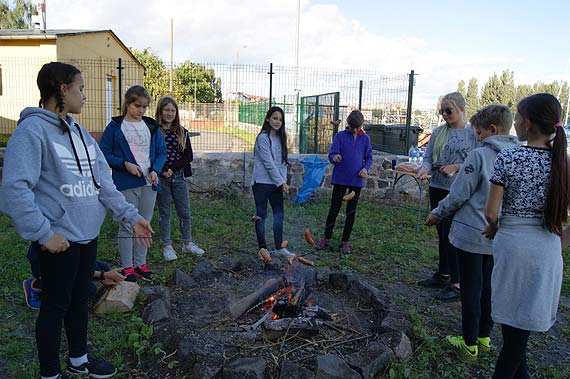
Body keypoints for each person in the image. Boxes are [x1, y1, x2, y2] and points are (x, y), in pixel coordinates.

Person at [0, 62, 154, 379]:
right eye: (80, 88)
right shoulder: (31, 132)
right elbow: (14, 190)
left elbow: (104, 185)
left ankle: (79, 360)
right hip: (58, 241)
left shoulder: (82, 134)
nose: (84, 95)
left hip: (87, 236)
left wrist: (132, 216)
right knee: (55, 307)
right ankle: (50, 373)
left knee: (79, 300)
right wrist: (44, 235)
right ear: (61, 88)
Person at [483, 93, 569, 379]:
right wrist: (558, 244)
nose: (515, 122)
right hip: (546, 251)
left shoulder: (509, 157)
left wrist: (493, 231)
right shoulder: (564, 164)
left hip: (513, 245)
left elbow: (491, 213)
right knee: (518, 332)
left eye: (518, 116)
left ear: (528, 123)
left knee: (514, 333)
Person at [424, 105, 519, 359]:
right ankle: (484, 336)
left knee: (470, 288)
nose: (476, 138)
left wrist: (437, 213)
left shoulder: (480, 156)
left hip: (472, 234)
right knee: (488, 287)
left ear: (492, 129)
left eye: (478, 133)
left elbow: (459, 194)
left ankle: (469, 341)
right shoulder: (518, 155)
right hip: (499, 235)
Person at [99, 85, 166, 282]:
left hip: (149, 182)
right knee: (128, 225)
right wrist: (124, 164)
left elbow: (161, 152)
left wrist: (155, 170)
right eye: (138, 106)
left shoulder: (151, 126)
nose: (142, 110)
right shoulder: (115, 127)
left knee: (144, 224)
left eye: (145, 107)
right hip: (126, 182)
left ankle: (140, 263)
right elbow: (103, 154)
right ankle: (127, 267)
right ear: (127, 103)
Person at [416, 92, 478, 301]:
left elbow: (476, 164)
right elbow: (427, 157)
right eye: (442, 111)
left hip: (457, 190)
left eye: (448, 110)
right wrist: (424, 169)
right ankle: (443, 274)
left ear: (461, 109)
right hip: (437, 186)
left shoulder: (472, 134)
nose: (444, 114)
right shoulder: (438, 132)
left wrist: (456, 167)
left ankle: (457, 282)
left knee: (453, 235)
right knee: (441, 233)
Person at [314, 110, 373, 255]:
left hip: (356, 180)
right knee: (334, 208)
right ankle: (326, 238)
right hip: (340, 178)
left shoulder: (365, 138)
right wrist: (335, 157)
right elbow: (331, 154)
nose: (354, 130)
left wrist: (365, 169)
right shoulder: (340, 136)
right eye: (352, 127)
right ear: (348, 124)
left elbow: (369, 157)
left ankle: (345, 241)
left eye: (357, 127)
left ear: (361, 125)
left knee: (351, 212)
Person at [155, 96, 204, 261]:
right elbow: (152, 154)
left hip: (178, 177)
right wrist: (162, 170)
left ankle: (187, 243)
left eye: (172, 110)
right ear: (160, 111)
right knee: (165, 213)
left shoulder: (182, 132)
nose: (169, 113)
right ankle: (167, 246)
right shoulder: (154, 131)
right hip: (161, 177)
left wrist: (172, 169)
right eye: (166, 110)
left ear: (176, 113)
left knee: (184, 212)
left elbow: (188, 155)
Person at [23, 243, 125, 310]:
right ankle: (38, 286)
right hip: (48, 265)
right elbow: (69, 268)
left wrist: (102, 273)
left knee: (103, 267)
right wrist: (102, 275)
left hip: (70, 256)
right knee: (88, 290)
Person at [251, 106, 292, 261]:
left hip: (276, 184)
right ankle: (262, 249)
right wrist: (281, 182)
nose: (277, 122)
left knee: (278, 216)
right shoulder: (263, 138)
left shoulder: (281, 138)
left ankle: (279, 247)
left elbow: (281, 163)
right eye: (275, 118)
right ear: (268, 119)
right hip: (261, 183)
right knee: (261, 216)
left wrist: (283, 182)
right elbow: (268, 163)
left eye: (280, 119)